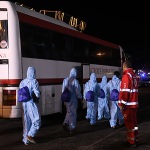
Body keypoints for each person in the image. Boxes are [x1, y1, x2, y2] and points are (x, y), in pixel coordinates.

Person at [118, 60, 139, 147]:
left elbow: (125, 92)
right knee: (134, 123)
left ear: (124, 67)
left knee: (129, 124)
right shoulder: (134, 75)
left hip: (128, 105)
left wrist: (121, 104)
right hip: (134, 104)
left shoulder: (126, 76)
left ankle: (131, 142)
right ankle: (135, 138)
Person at [19, 66, 41, 145]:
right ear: (33, 73)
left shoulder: (22, 82)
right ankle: (30, 135)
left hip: (24, 104)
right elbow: (37, 94)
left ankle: (26, 140)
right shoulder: (34, 81)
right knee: (36, 120)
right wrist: (38, 95)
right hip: (31, 103)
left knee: (26, 122)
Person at [62, 68, 82, 134]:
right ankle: (72, 128)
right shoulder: (75, 81)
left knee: (69, 111)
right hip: (73, 99)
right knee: (73, 114)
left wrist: (64, 100)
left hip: (66, 99)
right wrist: (80, 98)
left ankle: (65, 123)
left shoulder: (65, 80)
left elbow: (63, 91)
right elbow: (77, 91)